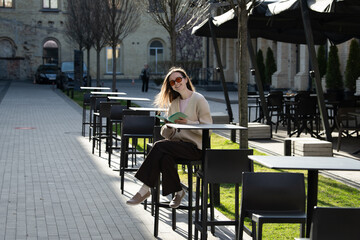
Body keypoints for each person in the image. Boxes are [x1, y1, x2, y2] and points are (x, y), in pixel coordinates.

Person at [126, 67, 213, 208]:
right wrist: (169, 127)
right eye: (172, 82)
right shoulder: (174, 103)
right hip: (178, 146)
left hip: (195, 148)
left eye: (178, 79)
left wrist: (188, 123)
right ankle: (178, 192)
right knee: (165, 157)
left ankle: (144, 189)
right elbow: (168, 135)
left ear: (185, 79)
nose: (176, 83)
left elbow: (207, 129)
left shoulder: (199, 99)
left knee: (159, 146)